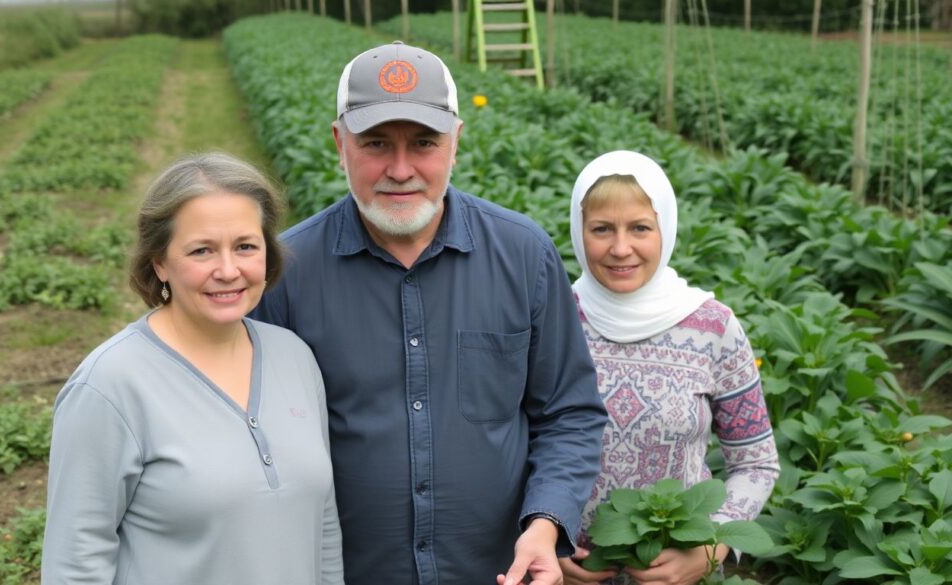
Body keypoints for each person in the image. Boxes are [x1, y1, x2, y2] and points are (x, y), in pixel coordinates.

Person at [249, 41, 607, 585]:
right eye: (374, 143)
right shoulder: (287, 275)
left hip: (496, 572)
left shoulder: (523, 255)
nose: (400, 169)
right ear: (339, 144)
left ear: (456, 143)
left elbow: (569, 412)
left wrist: (545, 524)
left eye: (423, 143)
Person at [41, 153, 343, 585]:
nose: (228, 270)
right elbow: (75, 563)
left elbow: (323, 524)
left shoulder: (294, 356)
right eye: (201, 250)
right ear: (159, 262)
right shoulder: (109, 387)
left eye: (245, 246)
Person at [559, 151, 781, 585]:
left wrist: (711, 548)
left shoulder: (713, 326)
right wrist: (541, 536)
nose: (620, 248)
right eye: (601, 228)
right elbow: (509, 447)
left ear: (666, 229)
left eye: (640, 228)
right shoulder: (553, 318)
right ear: (578, 231)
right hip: (566, 571)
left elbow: (756, 462)